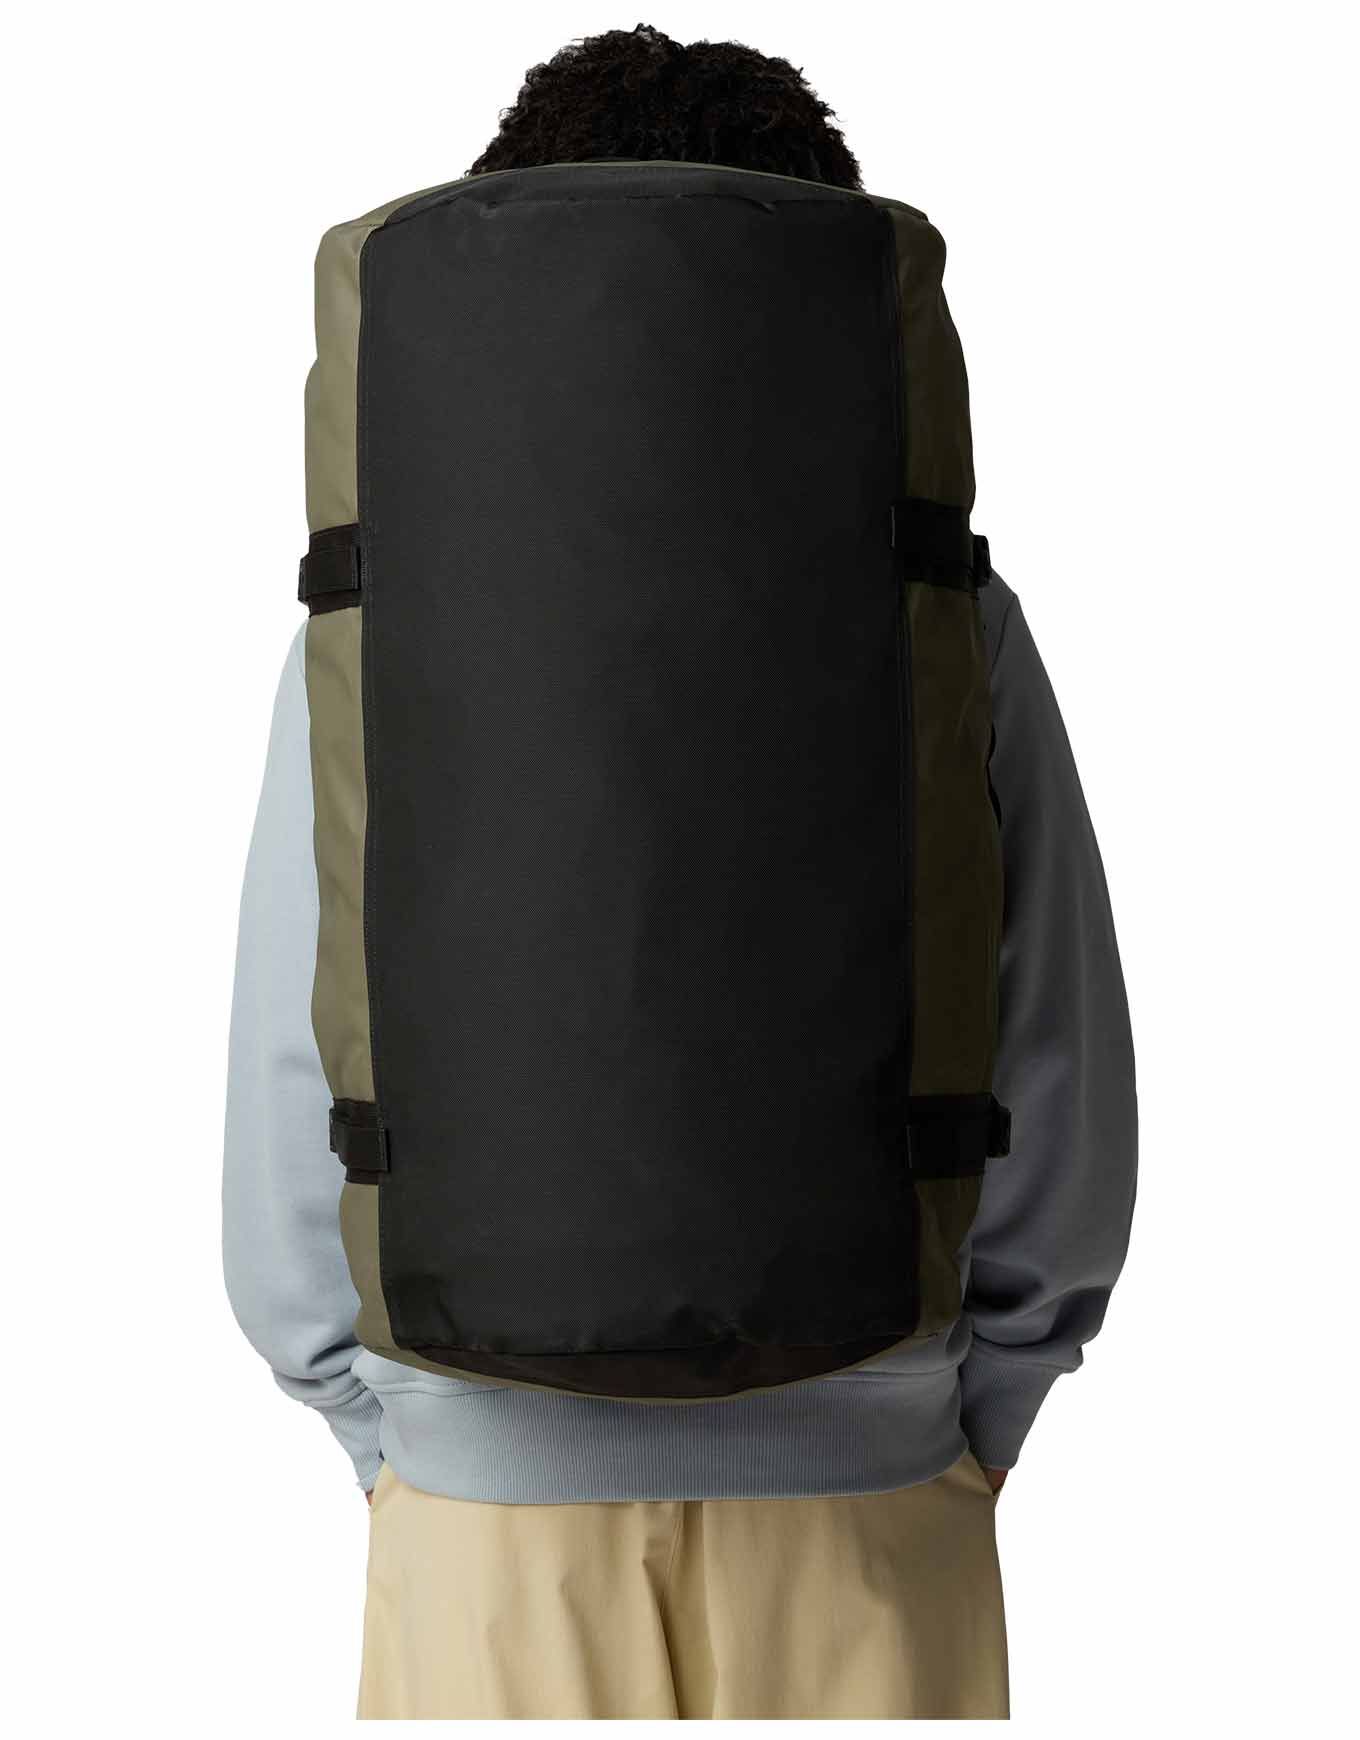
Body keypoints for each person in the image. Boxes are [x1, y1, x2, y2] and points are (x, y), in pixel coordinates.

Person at [223, 23, 1136, 1721]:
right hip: (877, 1513)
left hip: (480, 1531)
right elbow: (1053, 1044)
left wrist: (392, 1432)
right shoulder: (946, 613)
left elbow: (304, 1048)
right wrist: (975, 1407)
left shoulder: (377, 614)